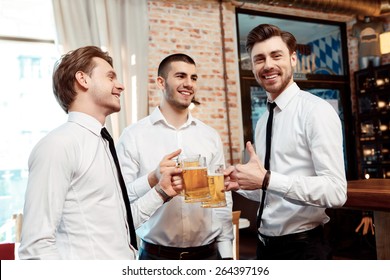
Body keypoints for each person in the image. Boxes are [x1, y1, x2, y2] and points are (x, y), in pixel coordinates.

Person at [18, 46, 182, 260]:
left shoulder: (103, 143)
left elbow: (118, 225)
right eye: (111, 77)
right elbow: (35, 247)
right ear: (83, 79)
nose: (121, 86)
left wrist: (161, 192)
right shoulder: (58, 145)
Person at [224, 24, 347, 260]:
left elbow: (336, 191)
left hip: (304, 249)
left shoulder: (316, 111)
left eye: (276, 55)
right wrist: (241, 182)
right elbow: (271, 193)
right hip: (265, 247)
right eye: (259, 59)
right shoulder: (263, 120)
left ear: (293, 59)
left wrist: (268, 179)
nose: (267, 65)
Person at [117, 53, 234, 260]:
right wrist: (153, 178)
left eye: (193, 77)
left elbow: (221, 198)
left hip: (208, 255)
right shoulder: (134, 135)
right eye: (180, 76)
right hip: (155, 257)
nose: (189, 83)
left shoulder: (210, 136)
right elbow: (121, 198)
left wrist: (226, 253)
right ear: (161, 82)